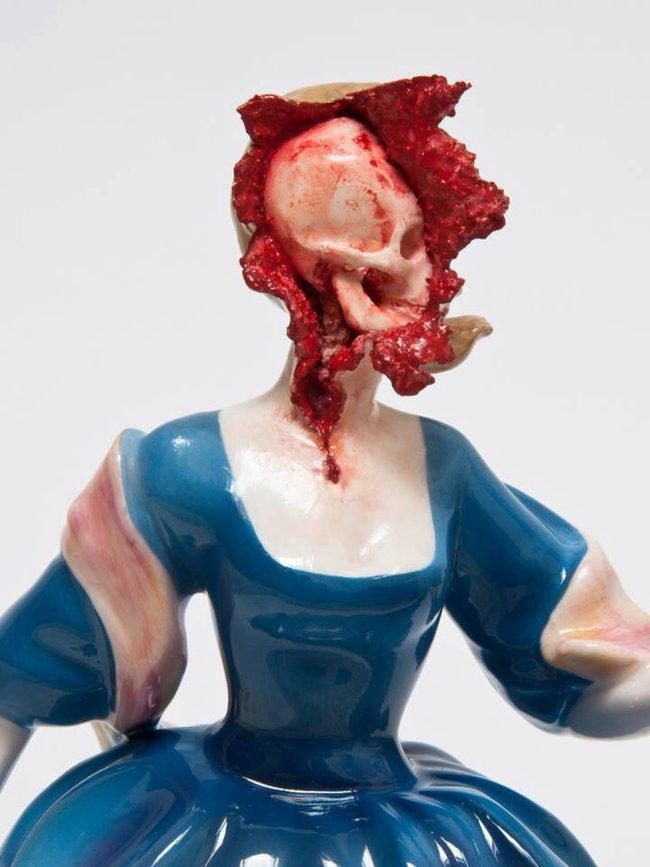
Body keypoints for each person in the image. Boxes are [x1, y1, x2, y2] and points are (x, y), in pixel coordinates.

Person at [1, 76, 648, 867]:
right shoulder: (192, 467)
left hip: (397, 824)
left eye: (420, 244)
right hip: (217, 823)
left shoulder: (445, 473)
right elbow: (25, 671)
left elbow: (575, 668)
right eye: (379, 256)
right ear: (316, 275)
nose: (421, 279)